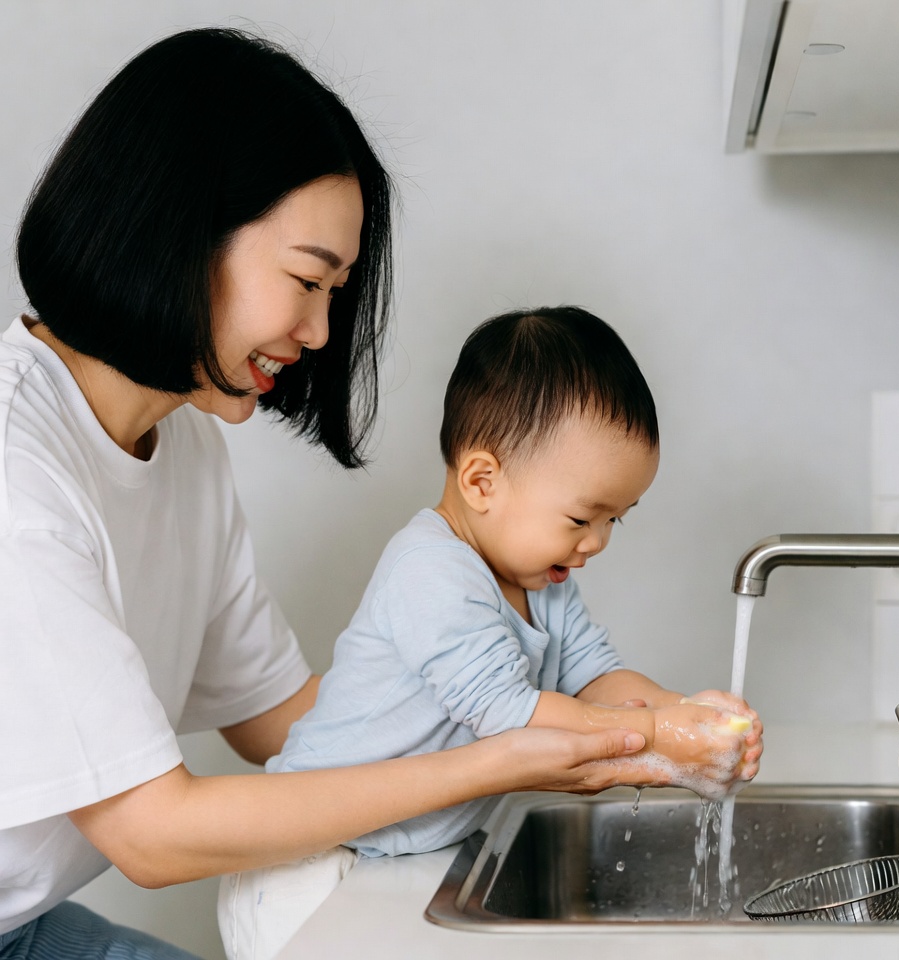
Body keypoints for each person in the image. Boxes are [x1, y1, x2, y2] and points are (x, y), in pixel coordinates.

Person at [0, 29, 685, 960]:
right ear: (178, 230)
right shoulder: (17, 472)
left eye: (339, 289)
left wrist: (490, 675)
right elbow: (154, 835)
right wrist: (494, 759)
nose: (323, 330)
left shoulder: (186, 443)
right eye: (308, 279)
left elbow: (287, 720)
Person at [222, 306, 763, 959]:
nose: (596, 542)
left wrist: (686, 713)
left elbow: (597, 678)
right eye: (582, 517)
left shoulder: (544, 580)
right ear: (482, 481)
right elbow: (510, 722)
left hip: (392, 850)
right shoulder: (430, 573)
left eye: (616, 520)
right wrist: (656, 736)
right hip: (304, 861)